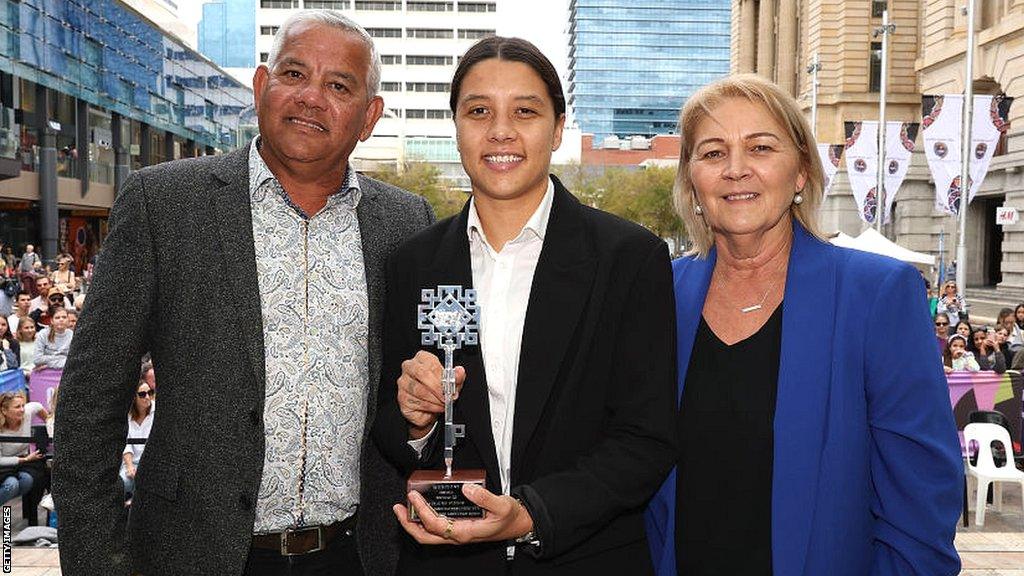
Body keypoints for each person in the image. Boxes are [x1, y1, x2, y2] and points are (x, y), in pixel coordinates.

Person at [52, 10, 435, 576]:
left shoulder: (406, 222)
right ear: (261, 86)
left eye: (338, 86)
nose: (310, 97)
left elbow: (410, 399)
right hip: (191, 557)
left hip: (358, 555)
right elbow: (89, 406)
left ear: (369, 116)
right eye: (294, 74)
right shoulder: (164, 204)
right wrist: (99, 564)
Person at [372, 37, 676, 575]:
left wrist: (530, 514)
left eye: (526, 112)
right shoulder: (413, 263)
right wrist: (416, 423)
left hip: (583, 557)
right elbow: (391, 427)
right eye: (479, 111)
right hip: (446, 563)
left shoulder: (629, 258)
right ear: (457, 127)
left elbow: (644, 439)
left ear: (558, 128)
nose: (500, 131)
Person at [645, 74, 962, 576]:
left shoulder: (876, 295)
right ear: (690, 181)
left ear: (800, 172)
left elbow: (922, 504)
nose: (736, 169)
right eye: (712, 153)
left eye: (761, 147)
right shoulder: (659, 294)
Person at [0, 391, 49, 505]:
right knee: (12, 485)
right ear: (4, 410)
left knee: (28, 480)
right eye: (17, 407)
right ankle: (7, 514)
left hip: (22, 465)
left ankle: (7, 509)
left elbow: (37, 406)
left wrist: (48, 421)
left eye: (23, 405)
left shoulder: (26, 413)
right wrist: (25, 459)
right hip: (4, 467)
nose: (22, 409)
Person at [120, 379, 155, 500]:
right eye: (142, 394)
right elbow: (126, 444)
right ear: (134, 398)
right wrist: (130, 466)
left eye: (150, 393)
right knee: (123, 483)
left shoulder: (157, 413)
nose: (147, 397)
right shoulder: (127, 416)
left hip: (151, 462)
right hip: (131, 463)